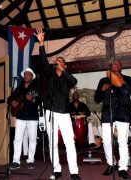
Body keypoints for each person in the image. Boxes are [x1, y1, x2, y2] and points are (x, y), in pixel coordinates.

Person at [34, 28, 81, 180]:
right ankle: (57, 169)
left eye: (61, 61)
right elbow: (43, 60)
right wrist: (41, 42)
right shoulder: (50, 73)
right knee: (52, 142)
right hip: (51, 111)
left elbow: (74, 81)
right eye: (57, 61)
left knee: (69, 142)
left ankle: (74, 172)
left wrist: (63, 71)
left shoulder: (67, 77)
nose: (58, 62)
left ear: (65, 65)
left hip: (64, 113)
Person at [94, 59, 131, 179]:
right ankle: (111, 163)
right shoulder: (103, 80)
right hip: (107, 114)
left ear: (121, 67)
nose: (116, 65)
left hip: (123, 114)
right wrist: (102, 90)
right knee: (107, 141)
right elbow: (97, 98)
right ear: (110, 67)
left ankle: (123, 168)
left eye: (118, 64)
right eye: (113, 64)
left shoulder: (128, 79)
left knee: (122, 142)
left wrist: (124, 82)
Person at [8, 68, 40, 170]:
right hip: (21, 117)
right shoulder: (19, 88)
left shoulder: (36, 87)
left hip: (32, 117)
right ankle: (16, 161)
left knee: (32, 139)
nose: (26, 76)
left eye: (28, 74)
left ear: (32, 77)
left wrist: (34, 98)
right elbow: (10, 98)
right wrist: (12, 101)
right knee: (17, 139)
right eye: (25, 74)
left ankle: (30, 160)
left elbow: (41, 98)